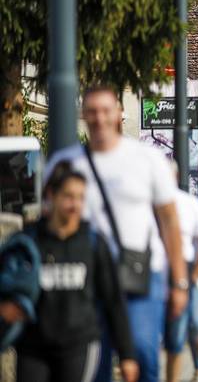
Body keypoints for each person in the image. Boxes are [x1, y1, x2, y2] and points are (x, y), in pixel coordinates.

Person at [45, 85, 187, 382]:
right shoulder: (65, 163)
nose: (100, 118)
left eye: (106, 110)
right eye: (92, 111)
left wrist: (179, 281)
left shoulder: (147, 159)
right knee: (93, 361)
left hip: (140, 271)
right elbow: (49, 222)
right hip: (87, 276)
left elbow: (170, 222)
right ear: (83, 115)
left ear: (119, 114)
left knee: (143, 351)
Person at [2, 162, 138, 382]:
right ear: (51, 195)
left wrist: (127, 354)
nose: (75, 205)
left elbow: (113, 299)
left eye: (80, 197)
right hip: (33, 346)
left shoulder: (93, 243)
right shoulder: (29, 241)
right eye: (68, 196)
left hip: (78, 346)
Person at [165, 187, 198, 382]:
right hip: (160, 273)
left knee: (196, 324)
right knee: (176, 333)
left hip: (189, 272)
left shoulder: (189, 203)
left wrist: (195, 276)